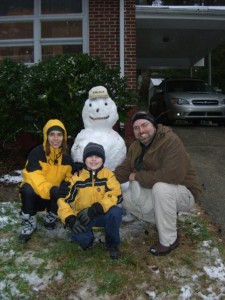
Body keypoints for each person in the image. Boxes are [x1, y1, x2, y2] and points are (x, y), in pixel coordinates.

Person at [114, 111, 202, 256]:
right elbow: (123, 170)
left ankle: (169, 240)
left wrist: (137, 176)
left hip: (184, 192)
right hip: (157, 190)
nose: (141, 131)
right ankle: (165, 221)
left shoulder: (170, 141)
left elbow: (172, 176)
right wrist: (101, 181)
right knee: (124, 198)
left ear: (153, 125)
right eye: (136, 128)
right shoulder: (135, 147)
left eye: (144, 125)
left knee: (161, 188)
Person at [58, 142, 123, 259]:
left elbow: (116, 194)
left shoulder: (108, 175)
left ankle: (112, 243)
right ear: (84, 159)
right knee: (84, 242)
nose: (94, 160)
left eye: (97, 156)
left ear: (103, 159)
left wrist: (97, 208)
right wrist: (70, 219)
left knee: (116, 212)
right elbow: (63, 200)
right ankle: (82, 236)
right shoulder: (77, 178)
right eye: (90, 156)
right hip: (83, 217)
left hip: (101, 214)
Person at [19, 119, 74, 243]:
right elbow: (34, 178)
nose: (55, 138)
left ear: (63, 137)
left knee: (64, 188)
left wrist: (79, 171)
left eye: (59, 135)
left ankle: (51, 215)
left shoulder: (66, 158)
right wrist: (53, 190)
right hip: (37, 196)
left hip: (53, 197)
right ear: (46, 136)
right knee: (27, 188)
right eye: (52, 134)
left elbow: (70, 179)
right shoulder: (36, 154)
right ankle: (29, 221)